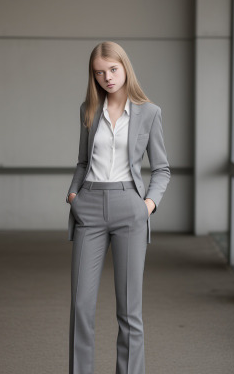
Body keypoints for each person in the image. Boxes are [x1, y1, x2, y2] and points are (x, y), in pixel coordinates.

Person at [66, 41, 171, 374]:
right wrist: (73, 196)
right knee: (82, 306)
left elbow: (162, 168)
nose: (107, 77)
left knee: (129, 310)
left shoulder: (149, 112)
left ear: (125, 67)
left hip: (131, 207)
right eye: (99, 72)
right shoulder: (88, 109)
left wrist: (148, 205)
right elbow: (83, 162)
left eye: (112, 69)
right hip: (90, 206)